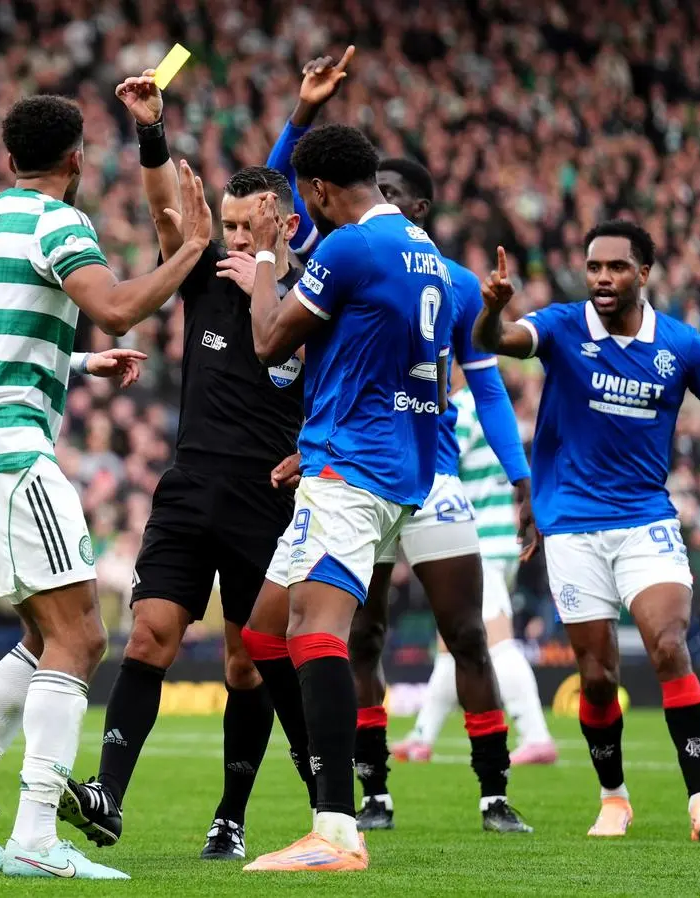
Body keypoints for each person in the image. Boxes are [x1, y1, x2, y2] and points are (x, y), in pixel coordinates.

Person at [0, 94, 215, 881]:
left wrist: (73, 364)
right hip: (9, 451)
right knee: (82, 639)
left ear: (10, 156)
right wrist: (189, 253)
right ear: (75, 160)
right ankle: (38, 833)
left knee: (44, 637)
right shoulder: (58, 223)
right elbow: (114, 310)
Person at [265, 47, 538, 833]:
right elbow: (275, 195)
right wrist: (304, 114)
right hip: (367, 463)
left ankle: (492, 790)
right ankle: (372, 787)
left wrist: (518, 482)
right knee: (364, 633)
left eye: (397, 194)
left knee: (466, 633)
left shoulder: (447, 278)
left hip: (427, 473)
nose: (381, 200)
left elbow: (484, 383)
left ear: (419, 208)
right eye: (376, 189)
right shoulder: (351, 248)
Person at [57, 71, 305, 862]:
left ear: (287, 228)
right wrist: (151, 131)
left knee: (244, 662)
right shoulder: (202, 276)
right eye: (227, 226)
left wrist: (317, 448)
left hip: (266, 498)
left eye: (247, 228)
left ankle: (231, 815)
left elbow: (343, 386)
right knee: (149, 637)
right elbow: (170, 212)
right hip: (191, 485)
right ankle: (108, 794)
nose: (234, 239)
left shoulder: (312, 300)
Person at [473, 220, 700, 842]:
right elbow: (502, 339)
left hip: (644, 521)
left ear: (644, 274)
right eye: (594, 266)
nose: (602, 278)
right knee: (597, 677)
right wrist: (492, 312)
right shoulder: (563, 325)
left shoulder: (682, 345)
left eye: (616, 267)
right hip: (571, 526)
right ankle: (613, 797)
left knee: (669, 646)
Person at [241, 123, 451, 873]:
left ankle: (335, 827)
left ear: (323, 191)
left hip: (355, 470)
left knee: (313, 627)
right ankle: (326, 786)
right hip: (382, 458)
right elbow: (417, 363)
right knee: (267, 633)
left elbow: (269, 338)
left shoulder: (350, 246)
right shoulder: (425, 252)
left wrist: (265, 253)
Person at [392, 368, 555, 766]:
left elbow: (439, 467)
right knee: (452, 645)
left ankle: (535, 734)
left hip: (476, 542)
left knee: (497, 642)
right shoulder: (492, 407)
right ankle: (422, 735)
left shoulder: (462, 409)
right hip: (497, 537)